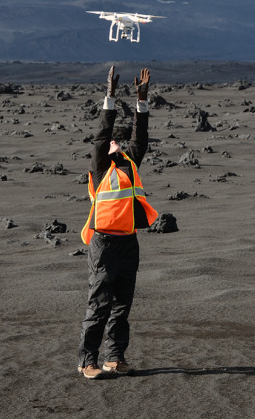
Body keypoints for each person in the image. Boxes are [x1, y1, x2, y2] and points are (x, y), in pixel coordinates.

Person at [77, 66, 158, 379]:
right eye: (111, 143)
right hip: (104, 245)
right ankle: (87, 362)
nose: (115, 142)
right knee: (98, 306)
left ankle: (114, 358)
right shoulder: (100, 169)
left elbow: (140, 137)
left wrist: (141, 99)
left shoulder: (129, 166)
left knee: (122, 306)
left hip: (128, 243)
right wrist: (110, 96)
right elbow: (101, 134)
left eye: (117, 142)